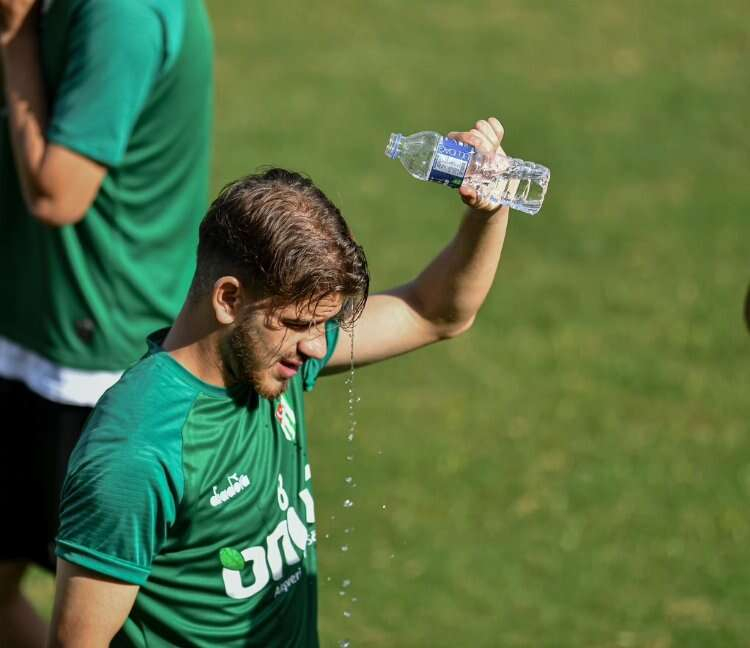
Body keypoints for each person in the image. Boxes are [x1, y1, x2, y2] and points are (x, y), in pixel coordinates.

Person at [48, 117, 510, 647]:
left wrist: (491, 208)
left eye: (323, 324)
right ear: (229, 299)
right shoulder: (138, 453)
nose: (316, 346)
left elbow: (436, 312)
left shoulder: (266, 358)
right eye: (296, 323)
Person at [0, 0, 213, 645]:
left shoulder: (123, 14)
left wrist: (13, 37)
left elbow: (57, 192)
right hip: (34, 332)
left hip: (87, 371)